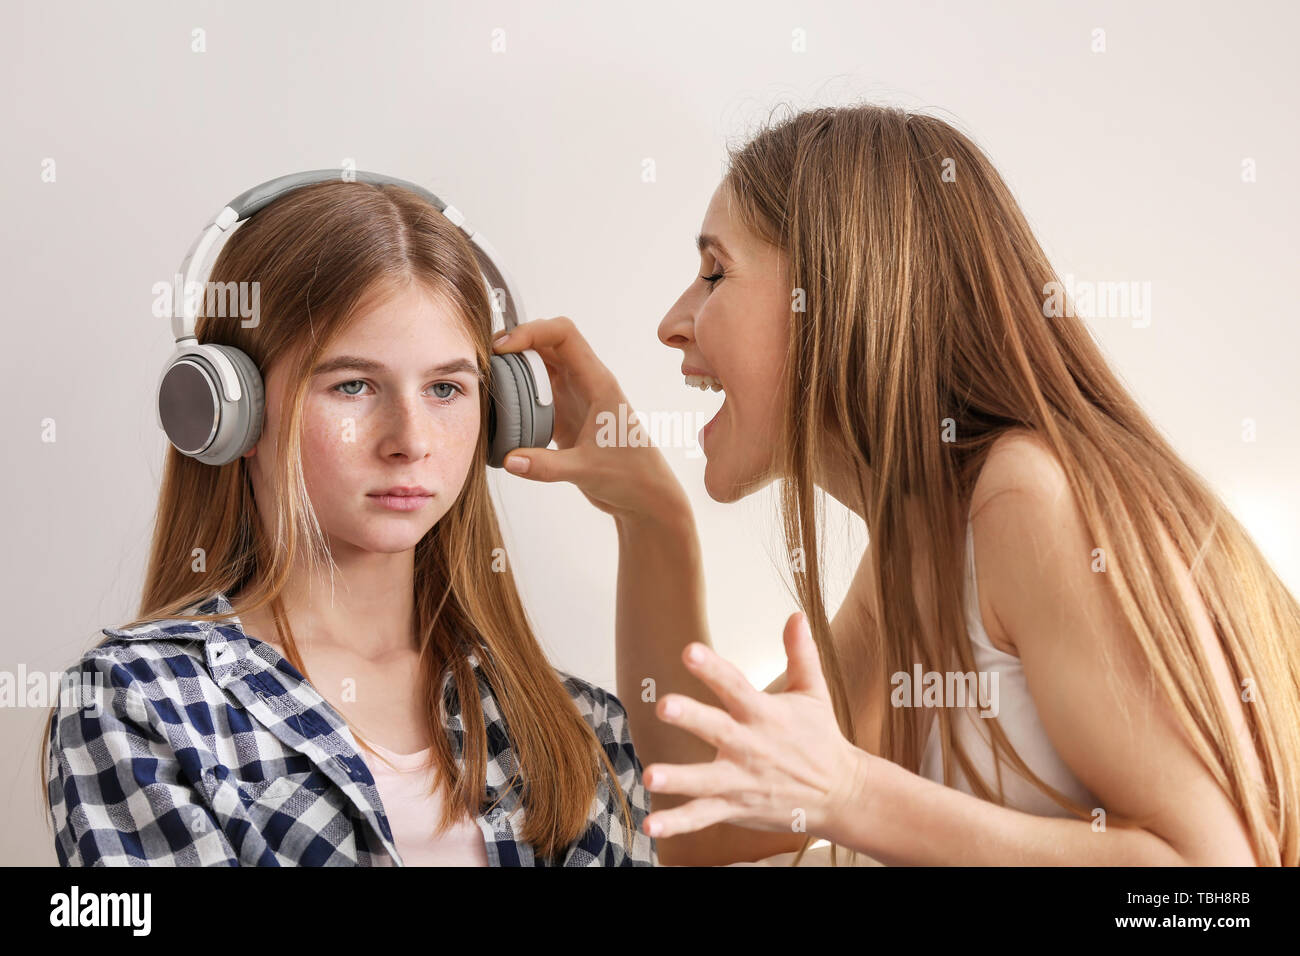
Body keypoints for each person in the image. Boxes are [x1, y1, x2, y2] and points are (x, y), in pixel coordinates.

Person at [491, 103, 1300, 866]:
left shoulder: (1027, 499)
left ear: (838, 293)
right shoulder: (919, 553)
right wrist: (649, 512)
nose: (672, 320)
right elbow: (695, 818)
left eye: (714, 271)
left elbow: (1213, 888)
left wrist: (850, 793)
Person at [42, 178, 654, 866]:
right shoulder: (142, 705)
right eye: (353, 385)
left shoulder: (579, 728)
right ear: (228, 413)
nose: (410, 440)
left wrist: (657, 513)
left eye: (446, 388)